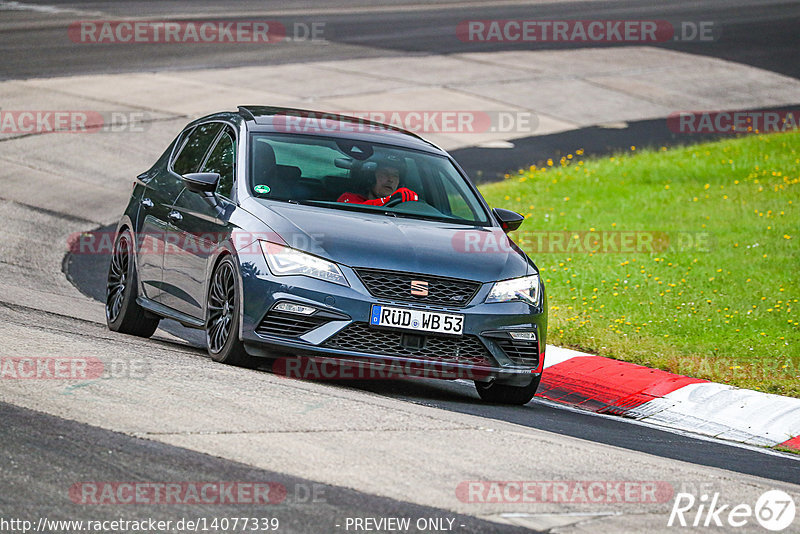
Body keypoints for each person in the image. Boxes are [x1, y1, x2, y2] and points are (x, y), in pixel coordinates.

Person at [337, 155, 419, 206]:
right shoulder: (348, 198)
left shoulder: (403, 207)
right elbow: (357, 210)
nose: (390, 179)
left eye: (395, 175)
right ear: (370, 178)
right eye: (384, 173)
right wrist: (391, 199)